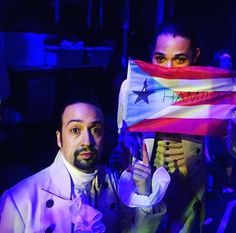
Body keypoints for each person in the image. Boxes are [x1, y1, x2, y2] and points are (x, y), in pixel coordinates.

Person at [0, 99, 170, 233]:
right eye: (75, 130)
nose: (87, 141)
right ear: (60, 139)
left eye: (95, 130)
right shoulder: (20, 200)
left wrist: (144, 193)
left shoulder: (118, 184)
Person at [111, 17, 207, 233]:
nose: (169, 68)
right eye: (160, 58)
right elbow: (122, 137)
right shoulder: (132, 88)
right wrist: (124, 141)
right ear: (150, 54)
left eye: (180, 59)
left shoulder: (209, 93)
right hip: (144, 191)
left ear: (196, 56)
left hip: (189, 193)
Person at [205, 49, 235, 194]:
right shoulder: (213, 82)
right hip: (214, 126)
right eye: (225, 59)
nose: (228, 62)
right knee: (212, 159)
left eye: (229, 60)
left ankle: (223, 185)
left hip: (230, 126)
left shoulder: (233, 81)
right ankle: (220, 185)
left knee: (229, 157)